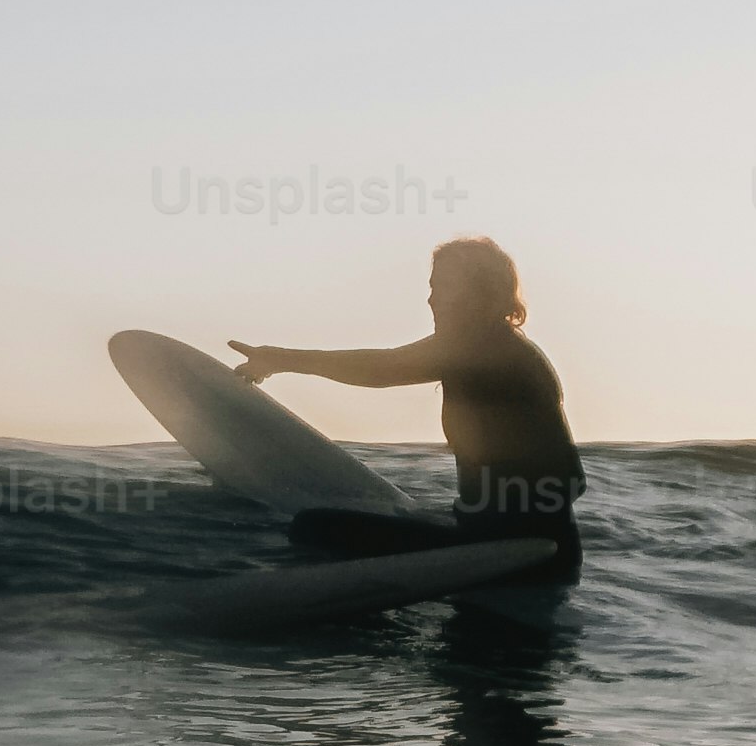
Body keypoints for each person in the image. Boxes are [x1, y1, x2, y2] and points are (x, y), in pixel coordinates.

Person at [229, 235, 584, 585]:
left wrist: (279, 358)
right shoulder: (495, 344)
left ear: (482, 294)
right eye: (433, 287)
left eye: (445, 287)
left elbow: (382, 368)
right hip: (526, 546)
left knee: (312, 527)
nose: (432, 300)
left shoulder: (485, 348)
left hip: (513, 554)